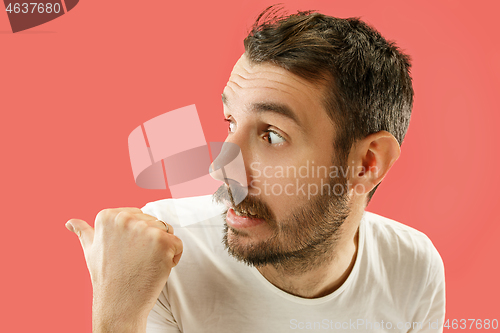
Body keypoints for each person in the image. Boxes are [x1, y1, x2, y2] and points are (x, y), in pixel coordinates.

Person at [66, 6, 445, 333]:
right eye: (230, 122)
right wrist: (117, 317)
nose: (219, 170)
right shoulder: (162, 256)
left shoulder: (414, 268)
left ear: (367, 163)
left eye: (273, 135)